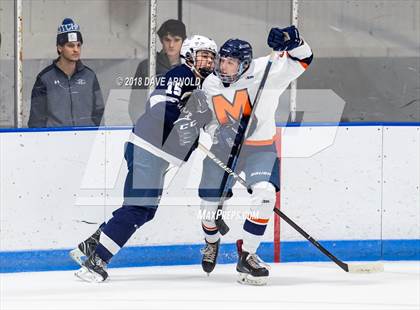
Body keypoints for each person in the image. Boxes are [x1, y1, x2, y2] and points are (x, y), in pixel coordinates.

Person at [71, 35, 217, 283]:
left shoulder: (204, 87)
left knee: (144, 211)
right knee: (138, 208)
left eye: (212, 57)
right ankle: (95, 262)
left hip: (161, 155)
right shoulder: (181, 74)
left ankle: (89, 246)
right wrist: (184, 119)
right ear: (190, 55)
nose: (209, 61)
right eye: (204, 55)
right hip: (149, 148)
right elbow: (159, 103)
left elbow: (206, 123)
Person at [198, 26, 313, 285]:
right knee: (208, 207)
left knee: (265, 195)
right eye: (222, 61)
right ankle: (211, 242)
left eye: (230, 62)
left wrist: (293, 43)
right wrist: (218, 131)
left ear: (245, 65)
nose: (223, 67)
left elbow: (304, 59)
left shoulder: (266, 70)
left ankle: (248, 254)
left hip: (260, 146)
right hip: (224, 148)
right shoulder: (211, 83)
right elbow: (206, 119)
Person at [28, 18, 104, 128]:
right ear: (59, 48)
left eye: (78, 45)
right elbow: (36, 119)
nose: (76, 50)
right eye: (70, 45)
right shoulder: (44, 78)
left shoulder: (90, 76)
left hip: (85, 140)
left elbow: (99, 110)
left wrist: (89, 130)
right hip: (54, 141)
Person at [128, 19, 187, 123]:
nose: (171, 45)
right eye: (167, 40)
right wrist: (145, 128)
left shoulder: (189, 68)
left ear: (184, 41)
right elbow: (136, 104)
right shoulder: (147, 66)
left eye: (176, 40)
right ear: (160, 40)